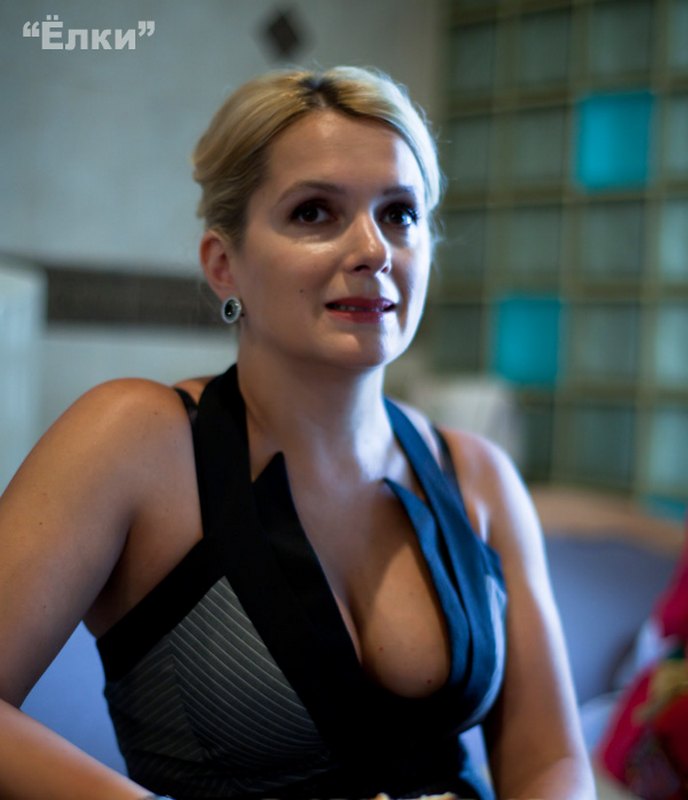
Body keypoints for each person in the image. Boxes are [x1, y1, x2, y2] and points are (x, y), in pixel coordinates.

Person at [0, 66, 595, 800]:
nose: (373, 248)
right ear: (224, 265)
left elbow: (551, 762)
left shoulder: (478, 476)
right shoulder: (135, 441)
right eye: (315, 212)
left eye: (400, 214)